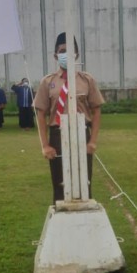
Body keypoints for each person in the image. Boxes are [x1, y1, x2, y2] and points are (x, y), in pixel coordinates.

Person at [34, 32, 104, 204]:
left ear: (77, 54)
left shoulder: (87, 80)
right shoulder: (47, 82)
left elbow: (96, 110)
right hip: (57, 135)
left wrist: (92, 141)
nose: (66, 54)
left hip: (82, 134)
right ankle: (61, 222)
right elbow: (41, 114)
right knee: (60, 186)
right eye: (62, 50)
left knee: (84, 184)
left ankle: (84, 225)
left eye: (70, 50)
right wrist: (45, 145)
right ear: (56, 55)